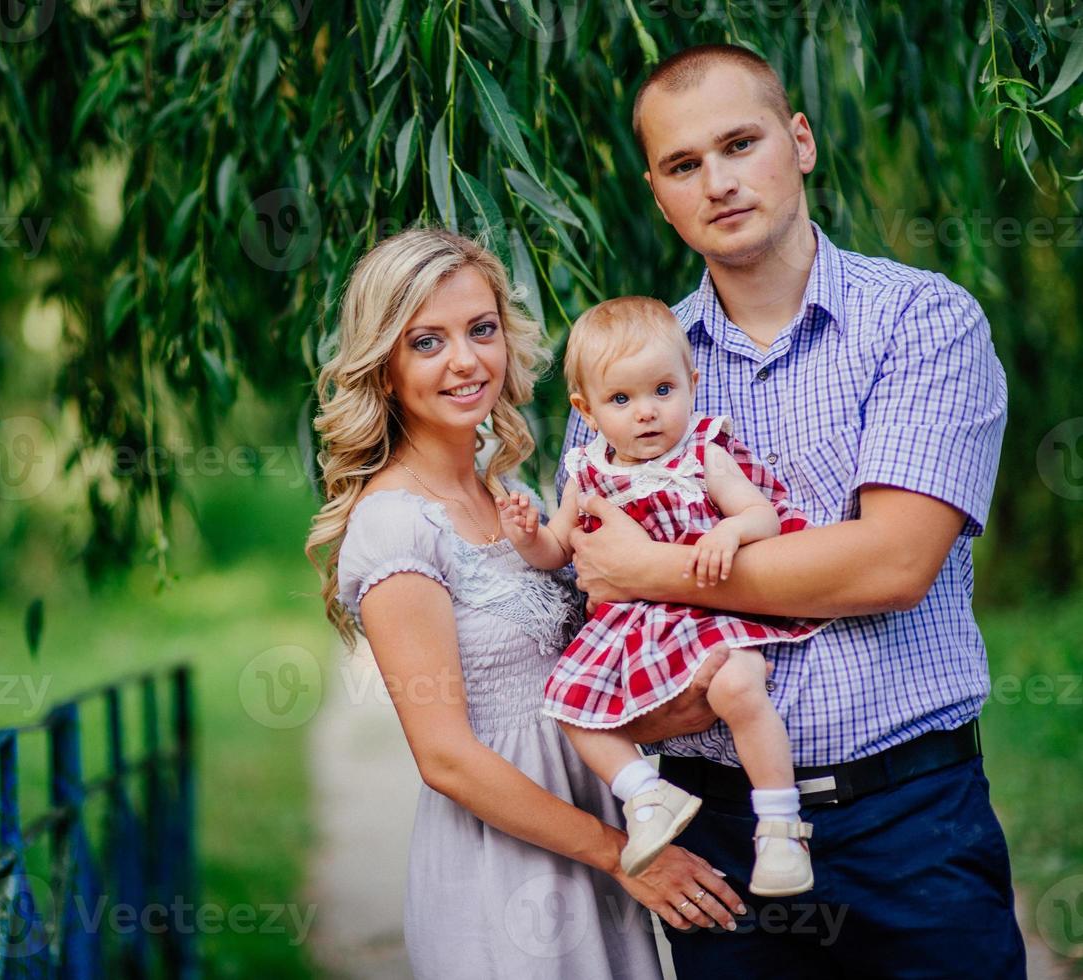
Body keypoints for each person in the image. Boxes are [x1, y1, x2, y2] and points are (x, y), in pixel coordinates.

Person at [555, 44, 1026, 976]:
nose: (719, 182)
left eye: (740, 144)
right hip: (720, 840)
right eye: (684, 165)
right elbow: (598, 619)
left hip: (911, 823)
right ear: (656, 192)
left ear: (800, 142)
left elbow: (892, 566)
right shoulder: (628, 372)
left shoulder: (922, 322)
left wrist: (657, 572)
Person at [306, 228, 744, 978]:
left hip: (595, 839)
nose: (465, 360)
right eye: (426, 342)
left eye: (480, 330)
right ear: (383, 368)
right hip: (504, 866)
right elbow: (445, 758)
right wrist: (622, 857)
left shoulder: (513, 494)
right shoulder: (395, 522)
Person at [498, 296, 828, 897]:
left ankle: (779, 826)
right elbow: (560, 550)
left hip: (711, 609)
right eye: (621, 400)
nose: (647, 413)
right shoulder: (588, 471)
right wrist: (528, 535)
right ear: (587, 409)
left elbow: (763, 517)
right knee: (570, 705)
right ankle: (646, 793)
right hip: (630, 627)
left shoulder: (703, 452)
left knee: (738, 687)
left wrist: (730, 529)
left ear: (692, 383)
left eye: (663, 390)